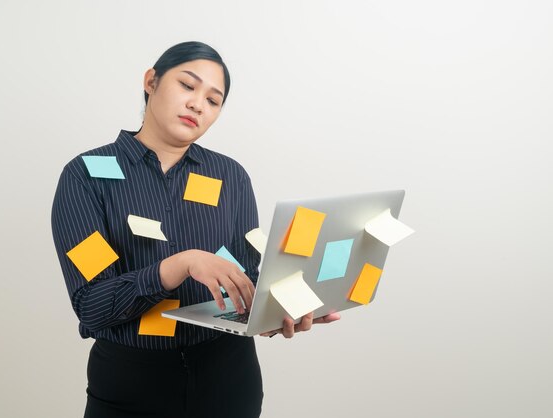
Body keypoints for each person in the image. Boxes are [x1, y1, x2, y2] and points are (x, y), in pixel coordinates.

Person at [51, 41, 340, 418]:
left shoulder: (230, 176)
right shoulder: (87, 175)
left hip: (229, 378)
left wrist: (272, 314)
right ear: (151, 81)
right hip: (130, 384)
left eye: (213, 100)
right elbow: (92, 306)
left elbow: (243, 286)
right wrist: (179, 264)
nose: (197, 104)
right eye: (187, 85)